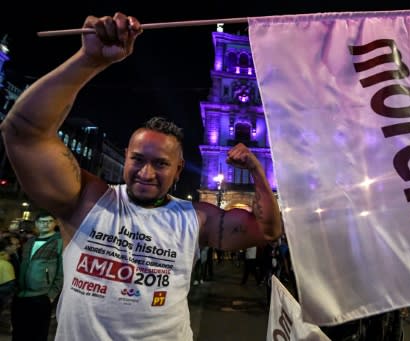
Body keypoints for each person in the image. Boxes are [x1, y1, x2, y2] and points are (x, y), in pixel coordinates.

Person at [0, 12, 282, 341]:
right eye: (137, 159)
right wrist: (87, 60)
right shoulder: (86, 200)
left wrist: (259, 173)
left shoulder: (194, 218)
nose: (146, 173)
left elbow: (268, 230)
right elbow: (22, 132)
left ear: (178, 171)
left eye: (161, 164)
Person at [10, 211, 63, 341]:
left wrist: (51, 295)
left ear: (55, 223)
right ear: (36, 224)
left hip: (41, 296)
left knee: (37, 334)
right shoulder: (30, 241)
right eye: (41, 222)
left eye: (49, 221)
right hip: (21, 295)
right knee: (19, 333)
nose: (45, 224)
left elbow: (62, 270)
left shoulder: (59, 242)